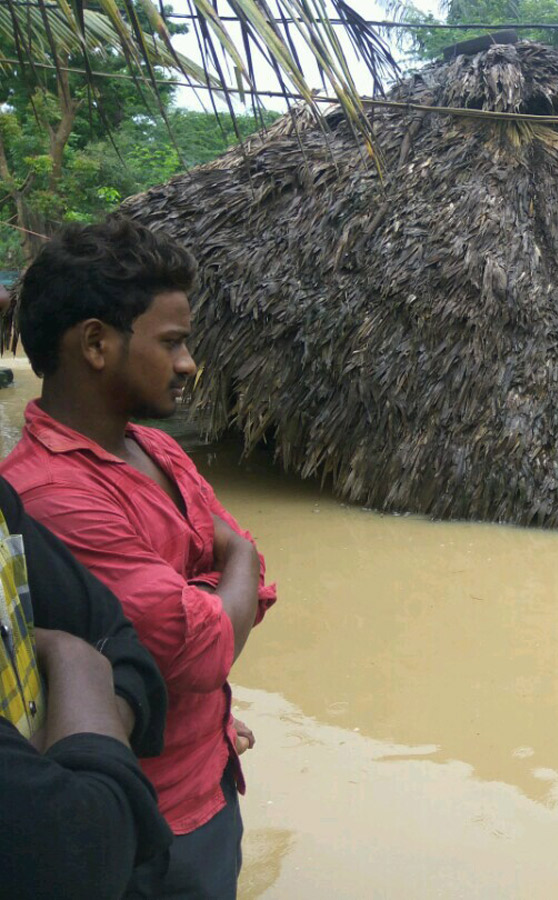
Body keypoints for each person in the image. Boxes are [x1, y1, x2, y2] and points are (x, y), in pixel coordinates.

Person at [1, 216, 277, 899]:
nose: (189, 363)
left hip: (212, 773)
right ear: (96, 343)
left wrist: (230, 582)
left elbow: (252, 596)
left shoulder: (158, 450)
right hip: (147, 826)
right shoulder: (50, 496)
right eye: (174, 342)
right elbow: (204, 647)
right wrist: (234, 558)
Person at [0, 474, 171, 898]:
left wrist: (77, 744)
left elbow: (123, 645)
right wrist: (74, 657)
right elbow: (88, 845)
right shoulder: (58, 489)